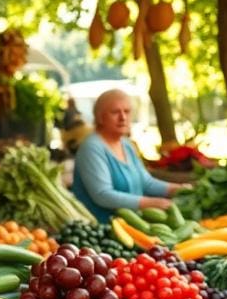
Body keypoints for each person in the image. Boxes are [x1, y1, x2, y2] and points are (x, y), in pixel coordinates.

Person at [71, 89, 179, 223]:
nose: (123, 117)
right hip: (102, 230)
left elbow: (146, 183)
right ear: (100, 117)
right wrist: (150, 203)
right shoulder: (92, 148)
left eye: (127, 111)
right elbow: (103, 195)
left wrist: (178, 189)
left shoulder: (126, 144)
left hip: (132, 227)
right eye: (115, 112)